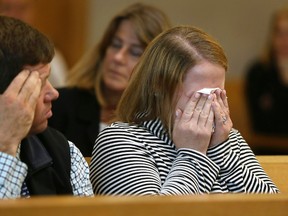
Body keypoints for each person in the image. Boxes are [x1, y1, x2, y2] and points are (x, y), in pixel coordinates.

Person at [90, 25, 279, 195]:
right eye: (201, 96)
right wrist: (192, 154)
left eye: (218, 95)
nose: (212, 107)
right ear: (159, 86)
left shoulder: (228, 138)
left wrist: (221, 149)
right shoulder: (120, 141)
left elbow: (271, 206)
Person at [48, 3, 171, 157]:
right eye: (115, 44)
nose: (118, 57)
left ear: (155, 68)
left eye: (135, 52)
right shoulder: (58, 105)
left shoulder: (161, 128)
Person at [0, 15, 93, 198]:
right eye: (39, 84)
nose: (54, 93)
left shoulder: (65, 153)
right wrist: (6, 145)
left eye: (48, 78)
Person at [0, 0, 68, 88]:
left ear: (32, 12)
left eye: (22, 9)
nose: (15, 15)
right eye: (7, 8)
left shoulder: (51, 59)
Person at [245, 6, 288, 136]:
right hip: (270, 147)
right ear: (272, 36)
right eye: (280, 33)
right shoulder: (258, 72)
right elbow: (261, 123)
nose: (285, 40)